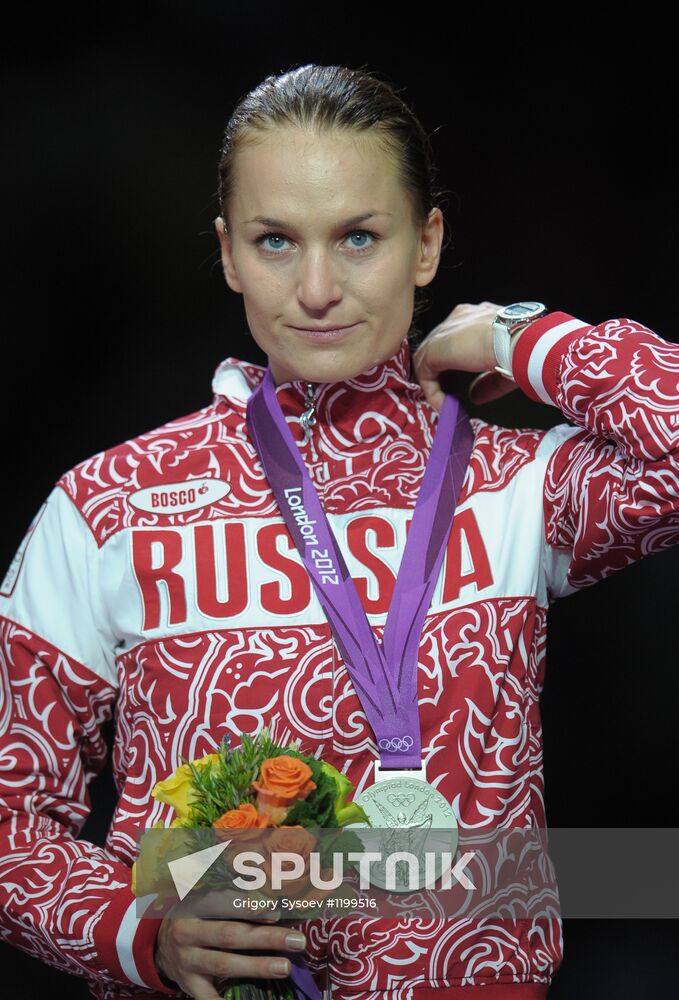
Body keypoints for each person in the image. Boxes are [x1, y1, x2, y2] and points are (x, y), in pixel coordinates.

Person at [0, 62, 677, 1000]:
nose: (316, 288)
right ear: (228, 253)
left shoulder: (518, 485)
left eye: (359, 237)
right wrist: (142, 935)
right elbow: (11, 823)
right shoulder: (110, 505)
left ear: (426, 245)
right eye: (275, 241)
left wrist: (521, 336)